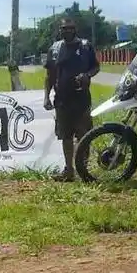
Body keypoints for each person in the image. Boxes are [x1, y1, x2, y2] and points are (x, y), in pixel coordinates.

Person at [43, 17, 100, 182]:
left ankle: (84, 170)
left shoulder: (86, 46)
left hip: (82, 99)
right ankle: (69, 170)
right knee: (65, 136)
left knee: (84, 135)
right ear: (60, 30)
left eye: (70, 28)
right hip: (62, 99)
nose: (67, 31)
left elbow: (96, 67)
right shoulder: (54, 49)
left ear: (75, 29)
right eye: (64, 28)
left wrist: (87, 75)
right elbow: (49, 75)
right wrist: (46, 97)